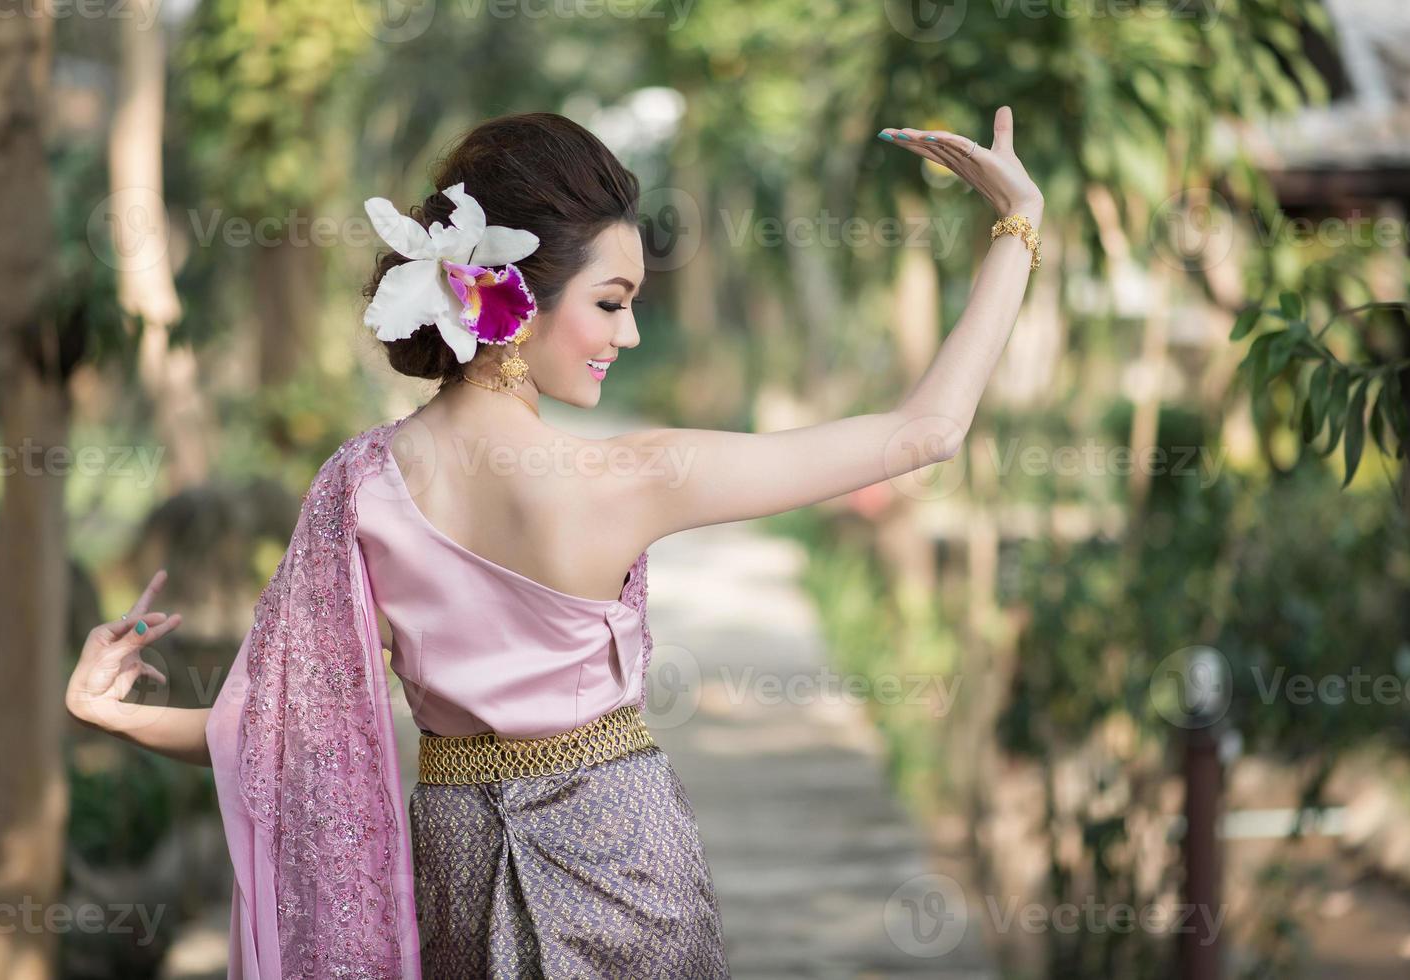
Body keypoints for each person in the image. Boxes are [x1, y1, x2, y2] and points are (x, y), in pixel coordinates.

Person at [65, 108, 1043, 978]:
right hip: (621, 857)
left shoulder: (358, 488)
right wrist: (1016, 229)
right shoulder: (627, 479)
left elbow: (286, 740)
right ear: (512, 299)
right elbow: (924, 432)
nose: (628, 336)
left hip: (454, 871)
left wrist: (115, 716)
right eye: (611, 301)